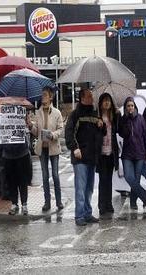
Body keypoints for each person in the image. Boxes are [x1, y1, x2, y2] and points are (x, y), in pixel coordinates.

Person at [65, 87, 105, 225]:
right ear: (82, 98)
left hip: (92, 156)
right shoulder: (75, 114)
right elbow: (69, 133)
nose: (92, 98)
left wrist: (101, 125)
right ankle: (79, 216)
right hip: (80, 157)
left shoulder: (95, 113)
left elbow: (102, 133)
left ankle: (87, 213)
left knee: (89, 188)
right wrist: (75, 148)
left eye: (91, 96)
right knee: (81, 188)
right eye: (89, 96)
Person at [29, 87, 64, 212]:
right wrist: (30, 125)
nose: (43, 97)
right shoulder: (37, 113)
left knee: (55, 175)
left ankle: (59, 202)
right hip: (41, 148)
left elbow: (60, 129)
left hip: (53, 147)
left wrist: (53, 135)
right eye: (42, 95)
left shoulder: (56, 112)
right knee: (45, 176)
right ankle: (47, 202)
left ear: (51, 97)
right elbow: (36, 131)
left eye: (45, 95)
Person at [119, 97, 146, 212]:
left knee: (136, 179)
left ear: (135, 106)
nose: (130, 108)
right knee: (129, 177)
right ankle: (143, 194)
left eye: (132, 105)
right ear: (125, 108)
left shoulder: (141, 118)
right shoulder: (123, 119)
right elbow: (122, 134)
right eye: (128, 106)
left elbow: (145, 135)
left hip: (139, 153)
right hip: (127, 154)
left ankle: (133, 202)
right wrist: (126, 122)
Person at [4, 110, 33, 216]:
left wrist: (27, 122)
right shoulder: (3, 114)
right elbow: (0, 132)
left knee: (23, 180)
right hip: (8, 153)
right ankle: (14, 203)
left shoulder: (22, 111)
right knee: (11, 181)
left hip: (22, 152)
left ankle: (24, 204)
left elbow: (28, 128)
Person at [97, 93, 120, 215]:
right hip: (101, 153)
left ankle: (108, 204)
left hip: (111, 152)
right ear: (101, 103)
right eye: (105, 101)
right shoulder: (97, 117)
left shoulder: (113, 117)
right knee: (102, 179)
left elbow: (120, 130)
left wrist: (118, 115)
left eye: (109, 101)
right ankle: (101, 205)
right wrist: (99, 126)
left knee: (109, 180)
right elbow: (96, 135)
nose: (107, 103)